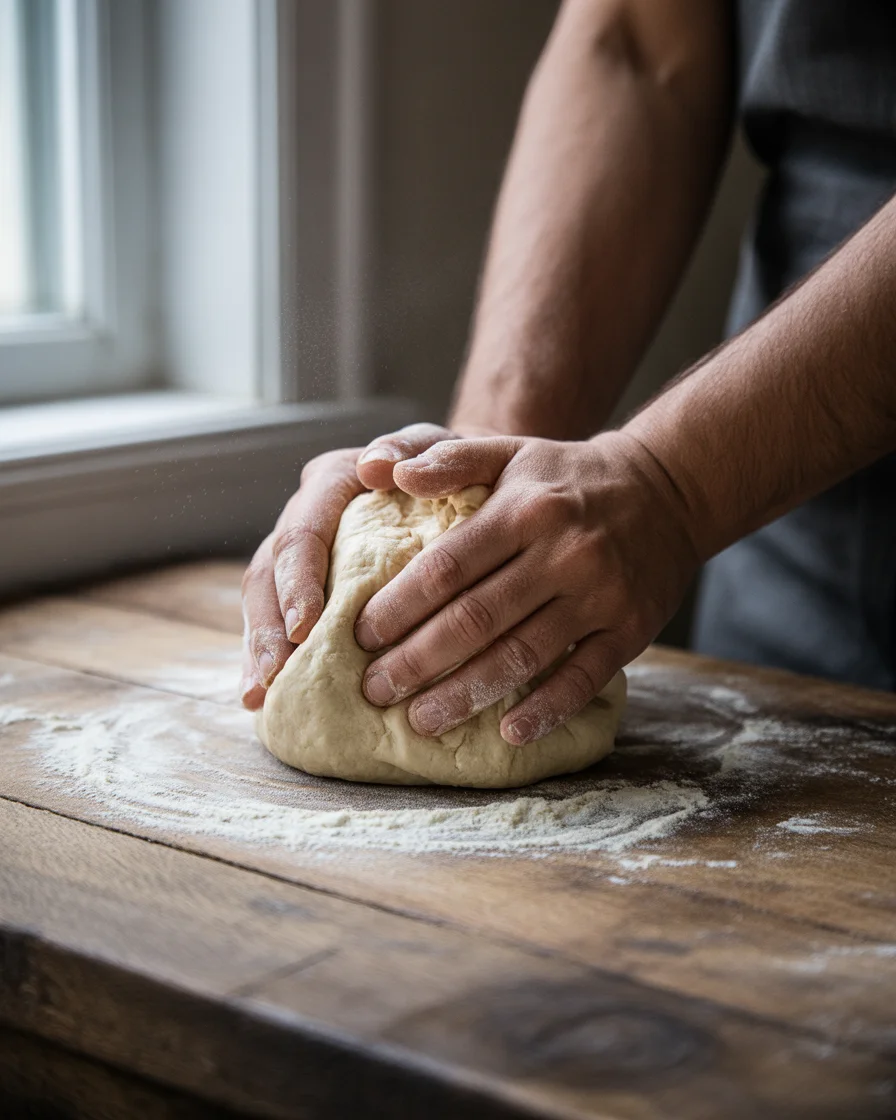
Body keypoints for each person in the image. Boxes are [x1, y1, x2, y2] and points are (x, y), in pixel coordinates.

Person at [241, 0, 896, 746]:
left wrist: (672, 485)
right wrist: (475, 479)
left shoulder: (682, 485)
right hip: (789, 504)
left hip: (741, 445)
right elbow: (639, 46)